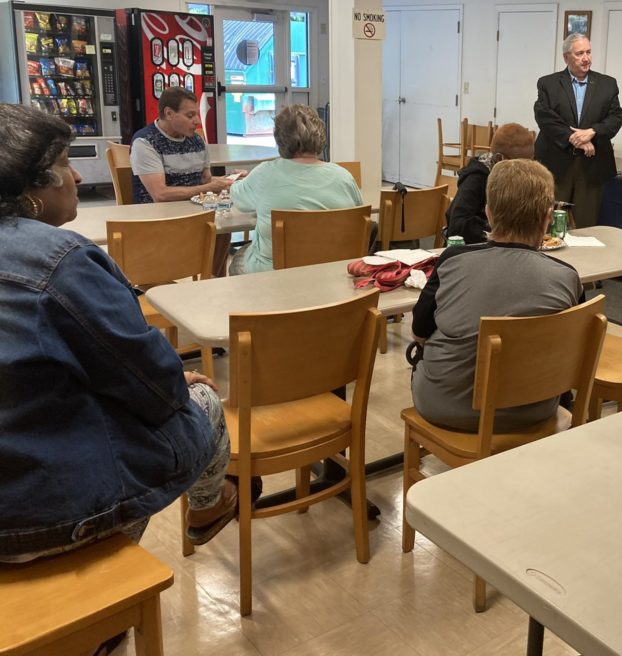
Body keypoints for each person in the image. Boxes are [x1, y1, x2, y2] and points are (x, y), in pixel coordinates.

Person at [0, 104, 236, 569]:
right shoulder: (63, 260)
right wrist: (177, 379)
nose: (77, 177)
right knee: (202, 400)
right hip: (44, 511)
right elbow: (149, 382)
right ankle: (205, 507)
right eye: (65, 163)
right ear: (32, 188)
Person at [411, 159, 583, 431]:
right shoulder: (567, 277)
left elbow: (419, 333)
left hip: (445, 408)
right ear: (547, 217)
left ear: (488, 214)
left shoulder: (453, 261)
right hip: (533, 409)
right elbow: (572, 353)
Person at [228, 105, 365, 275]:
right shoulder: (344, 176)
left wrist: (240, 179)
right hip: (332, 271)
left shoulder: (265, 173)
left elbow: (238, 199)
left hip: (273, 274)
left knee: (239, 257)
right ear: (320, 134)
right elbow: (359, 214)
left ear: (279, 138)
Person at [130, 86, 241, 275]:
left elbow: (205, 180)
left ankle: (213, 279)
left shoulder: (196, 141)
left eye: (196, 114)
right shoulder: (145, 142)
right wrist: (209, 187)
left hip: (195, 212)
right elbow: (160, 194)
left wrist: (229, 179)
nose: (197, 121)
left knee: (224, 227)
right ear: (169, 113)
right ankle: (208, 277)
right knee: (218, 227)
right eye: (190, 115)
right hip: (158, 219)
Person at [534, 33, 622, 229]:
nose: (586, 58)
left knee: (586, 226)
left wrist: (592, 132)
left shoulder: (607, 84)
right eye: (580, 53)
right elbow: (544, 117)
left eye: (588, 52)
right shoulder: (548, 83)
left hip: (592, 167)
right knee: (549, 223)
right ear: (566, 57)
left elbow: (615, 118)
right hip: (556, 164)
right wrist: (575, 138)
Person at [445, 122, 535, 244]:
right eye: (520, 165)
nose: (526, 170)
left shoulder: (517, 174)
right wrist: (496, 231)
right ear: (499, 159)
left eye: (530, 162)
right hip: (476, 247)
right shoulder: (476, 178)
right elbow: (457, 226)